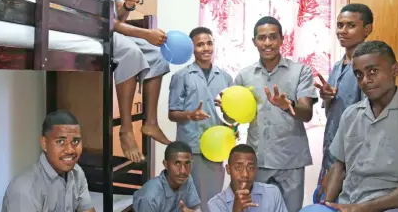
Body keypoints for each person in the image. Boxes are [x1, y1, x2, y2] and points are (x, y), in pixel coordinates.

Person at [64, 0, 171, 163]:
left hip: (104, 29)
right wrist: (146, 33)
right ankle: (125, 129)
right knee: (133, 52)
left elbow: (116, 17)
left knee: (157, 53)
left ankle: (150, 122)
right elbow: (103, 24)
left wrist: (129, 6)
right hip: (85, 32)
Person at [323, 40, 398, 212]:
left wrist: (363, 208)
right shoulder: (350, 115)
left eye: (373, 71)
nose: (365, 80)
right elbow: (338, 167)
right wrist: (327, 205)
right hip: (350, 202)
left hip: (396, 207)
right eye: (358, 74)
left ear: (395, 70)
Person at [216, 16, 318, 212]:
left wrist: (287, 105)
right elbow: (234, 119)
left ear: (282, 39)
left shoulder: (301, 71)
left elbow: (307, 114)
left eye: (273, 37)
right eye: (262, 38)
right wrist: (225, 110)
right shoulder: (244, 76)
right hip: (258, 161)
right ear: (254, 41)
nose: (268, 43)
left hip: (291, 159)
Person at [168, 27, 234, 211]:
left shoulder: (226, 78)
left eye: (209, 43)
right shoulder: (181, 76)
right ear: (192, 49)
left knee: (212, 201)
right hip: (190, 149)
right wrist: (190, 115)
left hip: (215, 150)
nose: (206, 48)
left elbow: (231, 118)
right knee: (187, 201)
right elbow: (172, 113)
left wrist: (232, 124)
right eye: (200, 44)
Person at [314, 3, 373, 199]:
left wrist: (343, 166)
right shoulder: (338, 67)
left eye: (350, 25)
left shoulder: (369, 68)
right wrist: (328, 98)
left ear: (367, 29)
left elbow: (370, 118)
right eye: (340, 25)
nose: (343, 31)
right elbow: (334, 115)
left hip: (354, 159)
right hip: (331, 153)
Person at [1, 110, 95, 212]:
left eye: (75, 141)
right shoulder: (25, 190)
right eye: (60, 141)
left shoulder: (77, 173)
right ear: (44, 143)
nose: (70, 150)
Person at [207, 144, 288, 212]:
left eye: (250, 168)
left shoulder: (272, 193)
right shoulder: (216, 204)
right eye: (238, 168)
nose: (245, 174)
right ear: (228, 169)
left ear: (256, 170)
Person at [132, 141, 201, 212]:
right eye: (177, 163)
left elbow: (196, 209)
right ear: (165, 164)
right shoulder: (150, 196)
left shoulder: (187, 179)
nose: (183, 171)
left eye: (187, 163)